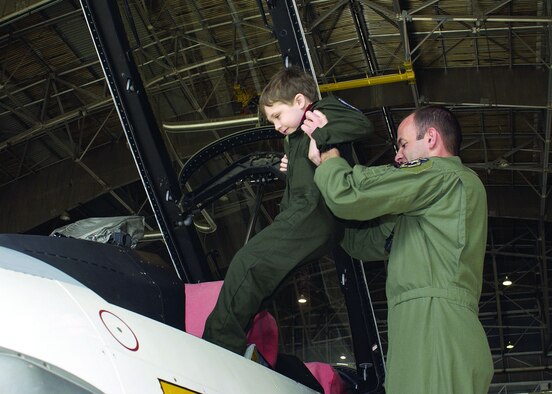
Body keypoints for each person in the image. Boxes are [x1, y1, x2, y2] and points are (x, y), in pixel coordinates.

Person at [303, 106, 493, 393]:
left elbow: (352, 194)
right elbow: (364, 243)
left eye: (403, 143)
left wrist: (331, 159)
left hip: (436, 325)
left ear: (430, 138)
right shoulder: (422, 208)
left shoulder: (445, 176)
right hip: (417, 326)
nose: (397, 155)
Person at [202, 66, 373, 357]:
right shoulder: (293, 138)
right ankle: (238, 344)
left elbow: (360, 123)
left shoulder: (320, 111)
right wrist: (291, 167)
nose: (277, 125)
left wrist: (320, 131)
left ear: (299, 101)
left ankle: (216, 348)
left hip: (311, 213)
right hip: (308, 216)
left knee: (247, 263)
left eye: (278, 116)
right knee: (268, 279)